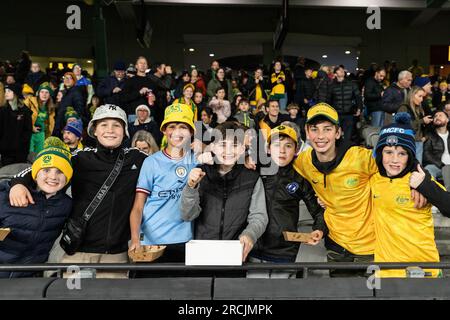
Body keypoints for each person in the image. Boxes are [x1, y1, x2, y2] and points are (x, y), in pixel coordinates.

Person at [9, 104, 147, 278]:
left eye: (116, 125)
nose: (110, 130)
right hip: (77, 252)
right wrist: (18, 183)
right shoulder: (80, 157)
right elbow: (43, 165)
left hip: (116, 255)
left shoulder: (137, 158)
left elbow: (166, 164)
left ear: (125, 131)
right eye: (103, 125)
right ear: (94, 130)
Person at [371, 113, 450, 278]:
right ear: (380, 153)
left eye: (402, 153)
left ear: (410, 156)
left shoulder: (420, 179)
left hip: (425, 269)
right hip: (387, 272)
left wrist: (424, 186)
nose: (394, 160)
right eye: (388, 152)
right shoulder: (373, 180)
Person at [181, 121, 268, 263]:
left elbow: (259, 216)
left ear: (242, 149)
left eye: (234, 145)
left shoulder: (251, 178)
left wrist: (250, 234)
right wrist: (191, 187)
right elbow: (188, 215)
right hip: (202, 252)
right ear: (213, 147)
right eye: (222, 145)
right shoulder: (200, 173)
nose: (228, 151)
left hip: (236, 253)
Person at [248, 125, 327, 278]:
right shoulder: (254, 170)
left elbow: (319, 211)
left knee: (282, 294)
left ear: (296, 150)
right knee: (254, 294)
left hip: (284, 251)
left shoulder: (301, 178)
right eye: (277, 145)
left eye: (288, 146)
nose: (282, 150)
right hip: (254, 248)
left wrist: (319, 229)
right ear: (269, 149)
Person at [129, 103, 199, 264]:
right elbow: (138, 206)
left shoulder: (196, 161)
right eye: (172, 126)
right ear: (164, 131)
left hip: (184, 241)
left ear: (191, 132)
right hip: (150, 243)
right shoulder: (151, 162)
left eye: (183, 127)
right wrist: (134, 239)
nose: (177, 132)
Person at [0, 137, 72, 278]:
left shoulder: (66, 205)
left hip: (30, 276)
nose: (53, 177)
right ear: (35, 173)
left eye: (60, 172)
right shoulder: (6, 194)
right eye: (46, 170)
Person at [327, 65, 363, 144]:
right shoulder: (332, 86)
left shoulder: (351, 83)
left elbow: (358, 96)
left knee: (348, 136)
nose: (342, 71)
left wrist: (359, 108)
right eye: (339, 70)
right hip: (336, 114)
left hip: (349, 113)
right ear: (335, 74)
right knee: (336, 135)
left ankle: (347, 152)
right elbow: (328, 100)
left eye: (342, 69)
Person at [398, 86, 432, 163]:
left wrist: (425, 137)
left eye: (423, 97)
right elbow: (403, 127)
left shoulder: (419, 109)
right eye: (419, 96)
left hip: (418, 142)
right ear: (412, 95)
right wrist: (422, 121)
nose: (421, 99)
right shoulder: (404, 108)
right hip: (407, 142)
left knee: (418, 167)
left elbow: (422, 127)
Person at [0, 84, 32, 166]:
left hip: (20, 152)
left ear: (16, 93)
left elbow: (28, 130)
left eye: (9, 91)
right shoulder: (2, 110)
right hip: (5, 152)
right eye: (5, 91)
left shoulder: (25, 111)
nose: (6, 93)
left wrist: (20, 144)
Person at [24, 82, 56, 154]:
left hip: (41, 134)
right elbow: (23, 116)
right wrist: (31, 127)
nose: (44, 94)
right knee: (29, 155)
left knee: (39, 155)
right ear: (38, 93)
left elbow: (50, 123)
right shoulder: (30, 101)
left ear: (49, 94)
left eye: (46, 92)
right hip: (30, 134)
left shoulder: (51, 107)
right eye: (42, 92)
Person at [53, 72, 86, 137]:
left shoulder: (76, 92)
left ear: (74, 81)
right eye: (65, 78)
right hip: (61, 123)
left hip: (68, 125)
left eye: (70, 78)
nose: (67, 80)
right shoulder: (65, 92)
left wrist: (71, 121)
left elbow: (79, 109)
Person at [423, 110, 450, 189]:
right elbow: (426, 154)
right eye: (435, 116)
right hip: (437, 166)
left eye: (440, 115)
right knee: (428, 169)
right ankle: (433, 196)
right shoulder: (429, 135)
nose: (437, 117)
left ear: (447, 119)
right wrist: (441, 164)